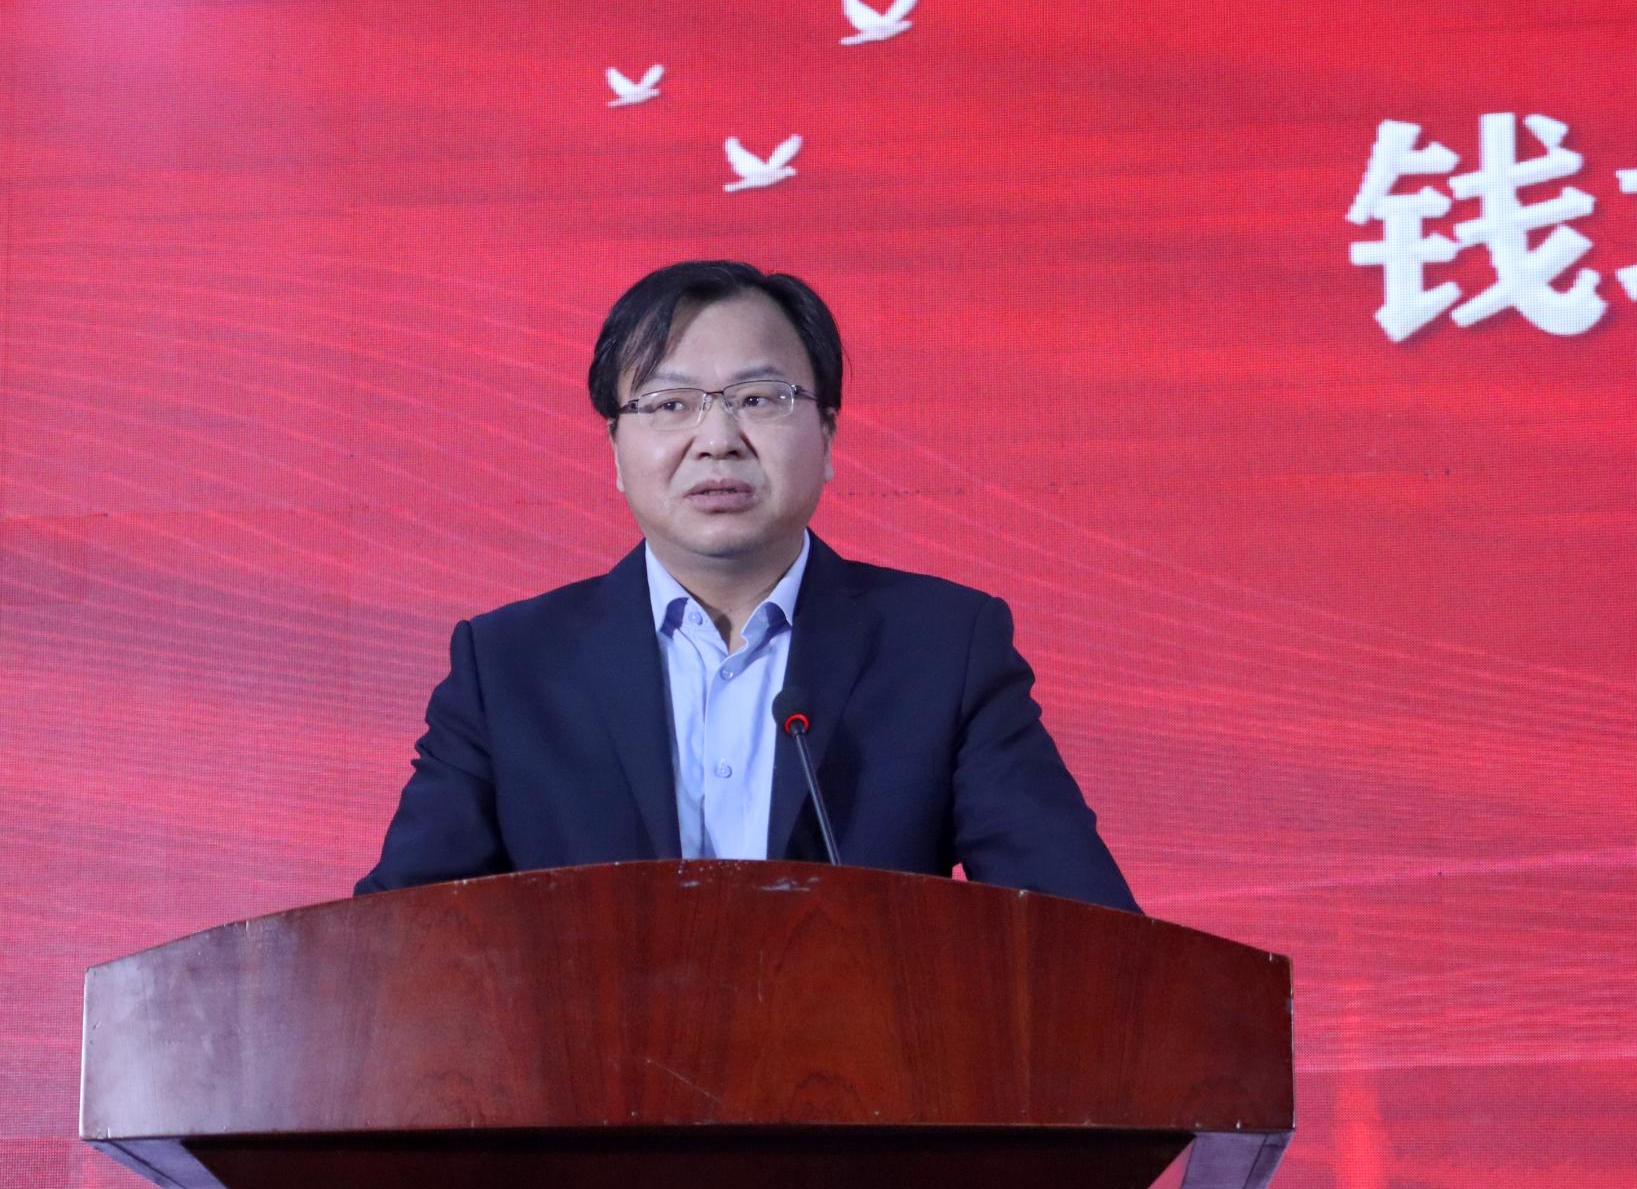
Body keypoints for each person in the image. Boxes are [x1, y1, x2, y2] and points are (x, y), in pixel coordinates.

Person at [356, 261, 1139, 913]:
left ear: (827, 435)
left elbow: (1084, 928)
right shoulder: (508, 666)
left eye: (759, 399)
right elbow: (393, 942)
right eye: (670, 405)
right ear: (616, 451)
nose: (718, 439)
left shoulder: (943, 648)